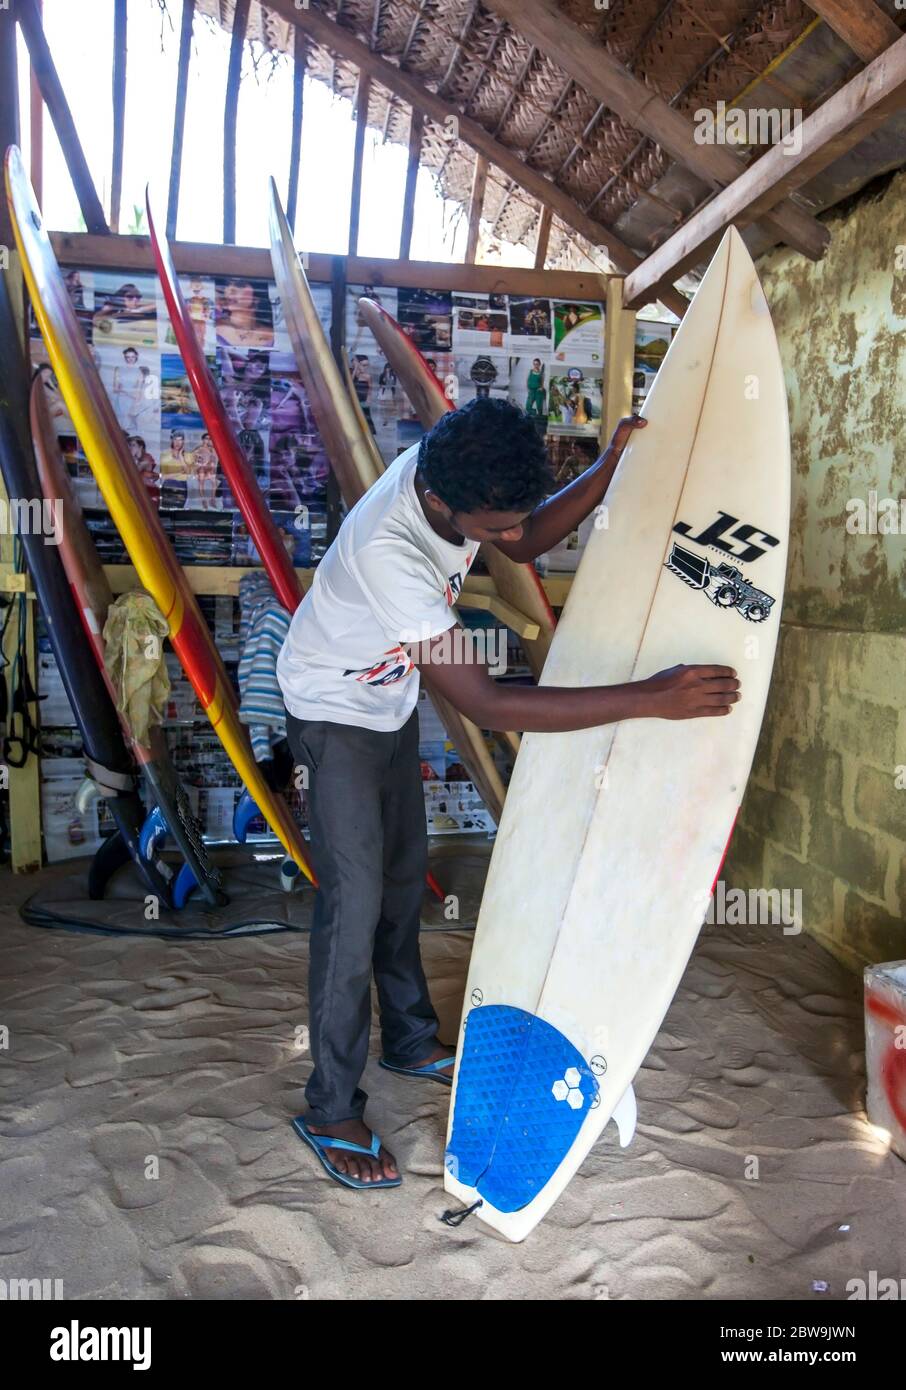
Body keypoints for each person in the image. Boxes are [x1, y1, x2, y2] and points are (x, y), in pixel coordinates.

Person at [277, 397, 740, 1191]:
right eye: (487, 527)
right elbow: (487, 704)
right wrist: (649, 697)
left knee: (399, 881)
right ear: (438, 501)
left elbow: (522, 533)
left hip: (385, 700)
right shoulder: (392, 550)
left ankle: (411, 1038)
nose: (503, 541)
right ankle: (328, 1107)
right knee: (351, 906)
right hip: (331, 707)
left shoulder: (456, 470)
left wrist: (605, 466)